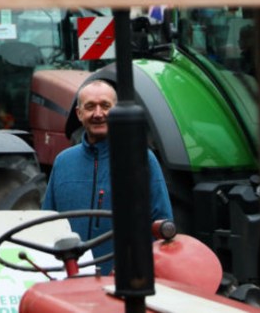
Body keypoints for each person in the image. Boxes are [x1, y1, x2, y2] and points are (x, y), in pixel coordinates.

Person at [42, 79, 173, 274]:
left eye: (105, 106)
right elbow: (46, 223)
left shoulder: (141, 158)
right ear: (79, 114)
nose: (98, 114)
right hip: (71, 280)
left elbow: (162, 224)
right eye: (90, 107)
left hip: (124, 281)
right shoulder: (63, 162)